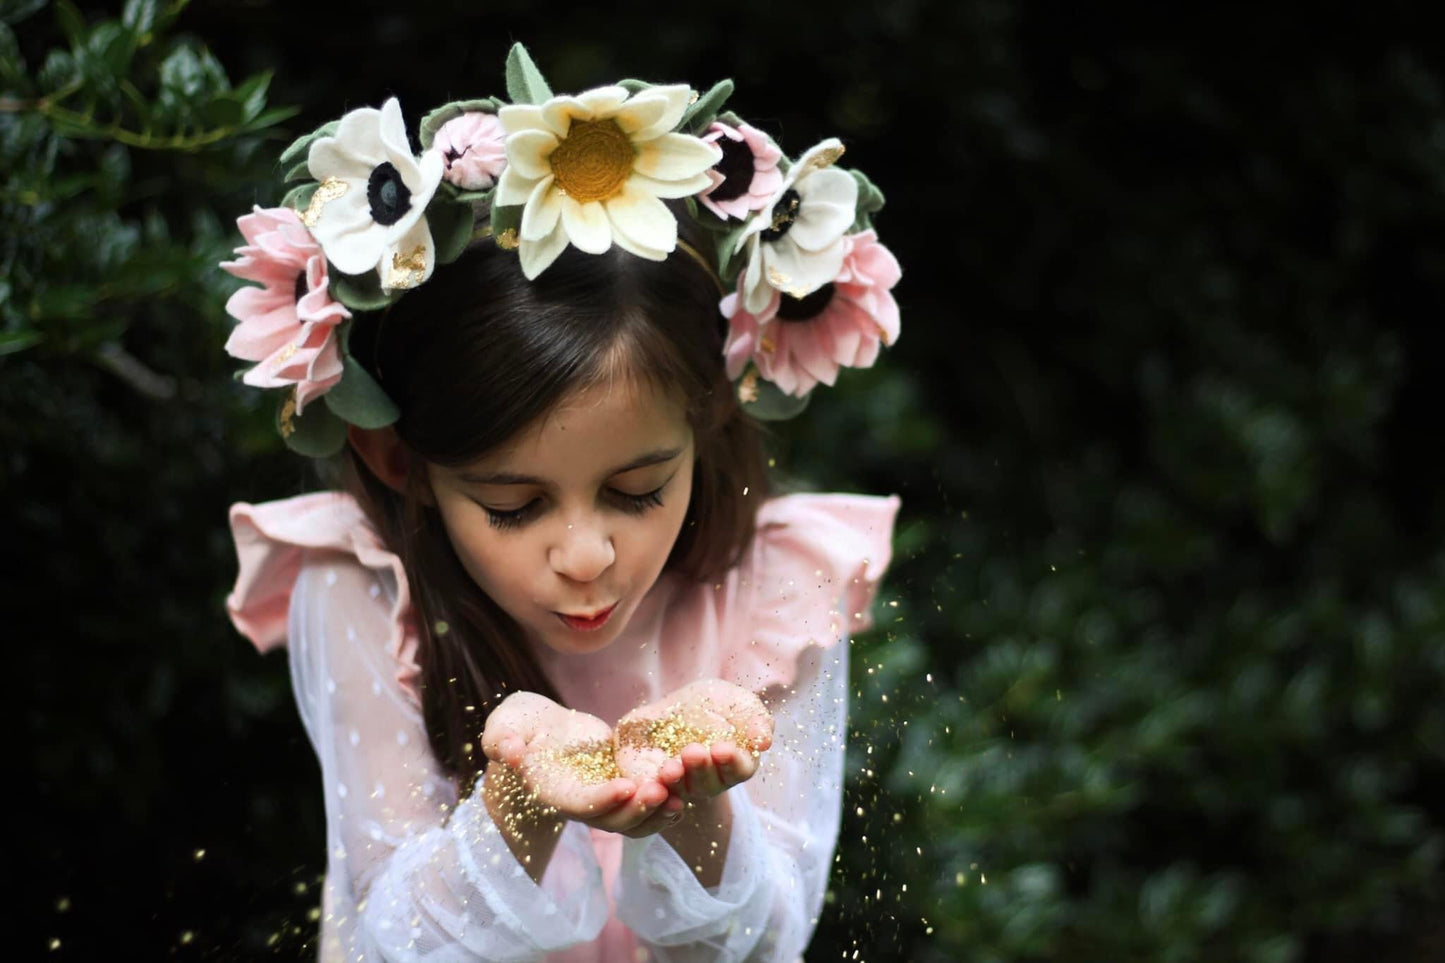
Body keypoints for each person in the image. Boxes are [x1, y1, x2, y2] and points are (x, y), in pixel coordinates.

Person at [221, 44, 903, 962]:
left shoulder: (781, 591)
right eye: (512, 505)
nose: (584, 555)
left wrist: (693, 815)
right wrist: (520, 801)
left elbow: (770, 935)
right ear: (398, 461)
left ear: (704, 431)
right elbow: (388, 940)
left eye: (637, 491)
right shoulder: (364, 587)